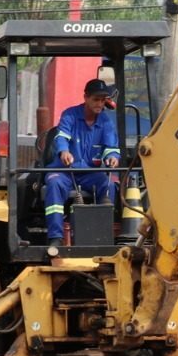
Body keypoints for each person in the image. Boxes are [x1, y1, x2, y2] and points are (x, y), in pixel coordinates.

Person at [45, 79, 121, 248]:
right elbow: (62, 137)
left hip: (89, 174)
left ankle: (103, 236)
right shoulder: (70, 115)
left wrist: (113, 157)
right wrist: (64, 151)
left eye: (103, 100)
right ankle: (56, 238)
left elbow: (111, 147)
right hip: (65, 172)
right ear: (85, 97)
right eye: (96, 99)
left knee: (108, 183)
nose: (100, 104)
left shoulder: (106, 122)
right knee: (54, 183)